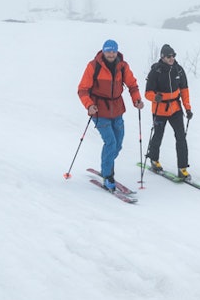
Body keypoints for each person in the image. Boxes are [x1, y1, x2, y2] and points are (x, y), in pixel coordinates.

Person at [77, 39, 144, 190]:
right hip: (99, 111)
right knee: (111, 143)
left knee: (118, 145)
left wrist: (137, 100)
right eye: (108, 51)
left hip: (117, 109)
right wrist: (89, 105)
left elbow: (132, 85)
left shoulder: (122, 66)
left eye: (113, 51)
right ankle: (108, 175)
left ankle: (106, 165)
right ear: (103, 51)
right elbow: (82, 89)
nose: (111, 54)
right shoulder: (93, 66)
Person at [144, 43, 193, 177]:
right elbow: (147, 93)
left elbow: (184, 91)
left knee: (181, 137)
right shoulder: (155, 71)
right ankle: (154, 160)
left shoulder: (179, 70)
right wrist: (155, 97)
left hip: (175, 109)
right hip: (159, 109)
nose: (172, 58)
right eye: (168, 56)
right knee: (158, 136)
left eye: (173, 55)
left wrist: (187, 108)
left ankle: (182, 168)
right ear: (162, 57)